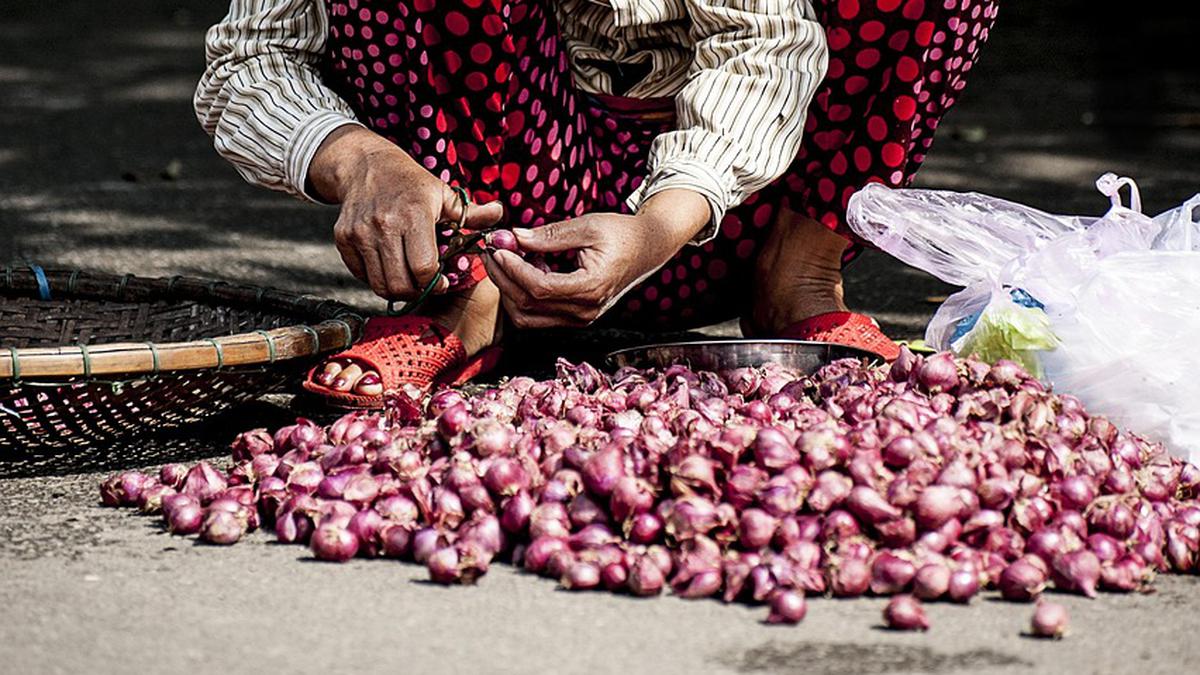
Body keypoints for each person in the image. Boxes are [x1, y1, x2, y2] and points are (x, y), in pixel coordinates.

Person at [196, 0, 998, 408]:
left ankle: (800, 280)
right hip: (503, 211)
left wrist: (658, 223)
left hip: (729, 211)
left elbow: (769, 43)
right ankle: (465, 294)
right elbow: (249, 62)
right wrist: (360, 159)